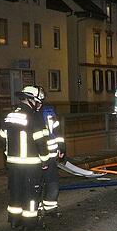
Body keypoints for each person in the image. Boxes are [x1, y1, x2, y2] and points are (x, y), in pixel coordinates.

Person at [0, 86, 51, 230]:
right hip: (31, 164)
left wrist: (7, 157)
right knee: (31, 194)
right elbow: (41, 141)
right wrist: (45, 160)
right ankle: (29, 223)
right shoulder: (34, 117)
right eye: (38, 102)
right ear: (31, 100)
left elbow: (3, 139)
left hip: (13, 163)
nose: (39, 105)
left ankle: (15, 220)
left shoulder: (9, 116)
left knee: (16, 192)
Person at [36, 87, 65, 217]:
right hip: (48, 153)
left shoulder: (31, 112)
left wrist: (61, 146)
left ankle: (39, 209)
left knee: (38, 182)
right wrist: (61, 146)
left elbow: (56, 130)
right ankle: (49, 208)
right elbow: (57, 131)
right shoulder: (49, 111)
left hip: (38, 154)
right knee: (51, 181)